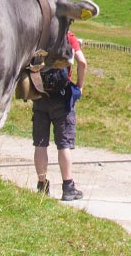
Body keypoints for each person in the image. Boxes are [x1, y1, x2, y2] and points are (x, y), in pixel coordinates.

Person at [32, 30, 88, 201]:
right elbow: (82, 62)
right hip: (62, 98)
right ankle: (68, 187)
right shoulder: (68, 37)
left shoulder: (41, 35)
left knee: (40, 143)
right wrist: (79, 86)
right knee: (63, 144)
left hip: (41, 95)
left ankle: (42, 185)